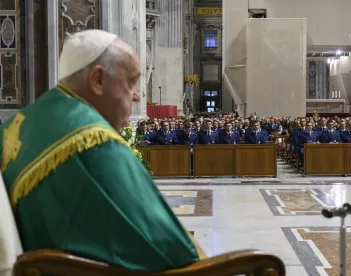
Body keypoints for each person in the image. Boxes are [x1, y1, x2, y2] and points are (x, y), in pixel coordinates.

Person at [0, 30, 202, 271]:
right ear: (97, 80)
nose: (137, 96)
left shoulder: (15, 126)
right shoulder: (92, 139)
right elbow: (169, 249)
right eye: (131, 81)